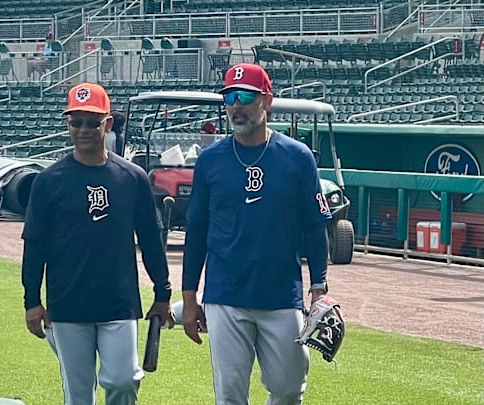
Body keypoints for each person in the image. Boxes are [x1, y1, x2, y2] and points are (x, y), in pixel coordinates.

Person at [181, 62, 333, 405]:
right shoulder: (210, 160)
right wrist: (190, 298)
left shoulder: (297, 157)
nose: (236, 104)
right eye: (229, 97)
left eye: (245, 96)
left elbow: (314, 224)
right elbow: (197, 232)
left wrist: (319, 286)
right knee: (230, 394)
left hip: (281, 293)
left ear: (267, 101)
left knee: (290, 387)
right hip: (225, 294)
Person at [21, 82, 175, 405]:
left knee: (122, 381)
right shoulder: (49, 181)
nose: (84, 129)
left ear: (108, 123)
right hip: (67, 304)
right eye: (75, 122)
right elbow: (35, 244)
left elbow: (150, 240)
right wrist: (32, 301)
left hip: (118, 303)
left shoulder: (132, 178)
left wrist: (163, 294)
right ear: (68, 124)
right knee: (78, 396)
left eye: (93, 122)